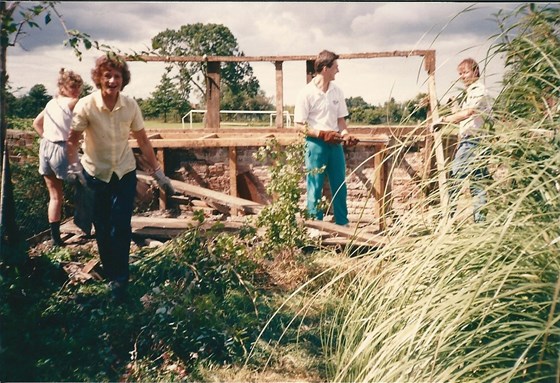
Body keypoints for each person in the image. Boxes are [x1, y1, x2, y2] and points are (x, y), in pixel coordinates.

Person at [67, 53, 174, 301]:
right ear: (99, 79)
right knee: (103, 228)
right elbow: (71, 141)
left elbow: (143, 141)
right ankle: (110, 273)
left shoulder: (130, 105)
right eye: (108, 75)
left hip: (124, 172)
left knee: (121, 226)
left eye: (117, 76)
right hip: (95, 174)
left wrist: (158, 172)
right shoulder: (86, 105)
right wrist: (73, 168)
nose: (112, 81)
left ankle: (120, 282)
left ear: (122, 80)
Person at [294, 50, 359, 226]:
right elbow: (299, 125)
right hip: (315, 144)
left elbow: (340, 121)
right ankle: (315, 226)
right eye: (335, 67)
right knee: (314, 186)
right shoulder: (306, 93)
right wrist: (321, 134)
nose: (338, 70)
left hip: (335, 144)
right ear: (325, 68)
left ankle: (342, 223)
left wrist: (346, 135)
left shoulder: (337, 91)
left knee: (339, 185)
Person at [432, 58, 493, 223]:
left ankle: (447, 217)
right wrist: (455, 106)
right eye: (460, 74)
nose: (463, 77)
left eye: (465, 72)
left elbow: (467, 114)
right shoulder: (471, 92)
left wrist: (443, 120)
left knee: (455, 179)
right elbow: (465, 115)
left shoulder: (479, 90)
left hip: (474, 141)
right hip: (476, 140)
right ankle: (481, 223)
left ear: (475, 71)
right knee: (477, 183)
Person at [33, 68, 84, 246]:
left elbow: (36, 123)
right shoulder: (74, 102)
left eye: (78, 86)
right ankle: (85, 223)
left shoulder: (51, 103)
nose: (76, 90)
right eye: (73, 86)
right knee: (86, 185)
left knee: (55, 196)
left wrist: (48, 138)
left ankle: (56, 239)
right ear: (63, 87)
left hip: (45, 147)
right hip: (61, 148)